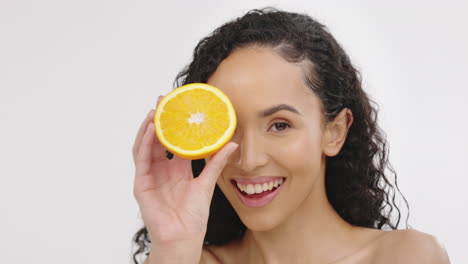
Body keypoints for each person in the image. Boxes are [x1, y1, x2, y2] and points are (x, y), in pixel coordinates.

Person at [131, 7, 450, 264]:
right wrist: (172, 248)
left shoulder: (404, 257)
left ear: (334, 132)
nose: (249, 159)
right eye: (229, 130)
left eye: (279, 125)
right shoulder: (183, 259)